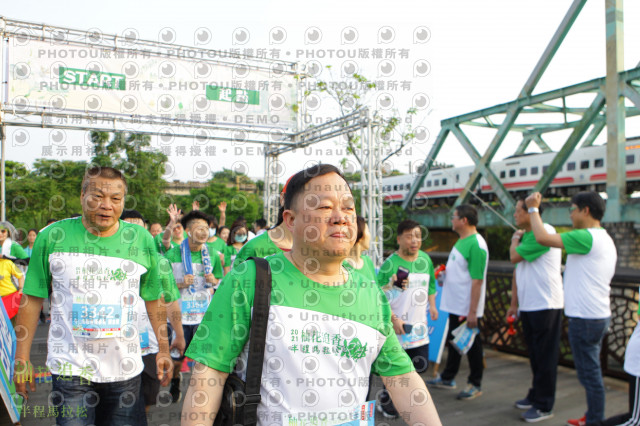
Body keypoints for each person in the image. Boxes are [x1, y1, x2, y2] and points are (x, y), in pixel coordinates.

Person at [182, 164, 441, 426]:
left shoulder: (370, 294)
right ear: (291, 220)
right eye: (325, 207)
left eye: (348, 207)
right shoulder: (249, 279)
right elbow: (207, 379)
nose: (341, 217)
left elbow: (402, 380)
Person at [14, 166, 174, 425]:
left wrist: (163, 349)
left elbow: (154, 298)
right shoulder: (53, 237)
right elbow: (32, 299)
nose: (106, 205)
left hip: (125, 370)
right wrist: (21, 358)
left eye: (115, 199)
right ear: (82, 195)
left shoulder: (141, 240)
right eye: (97, 196)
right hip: (70, 370)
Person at [525, 191, 616, 426]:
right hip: (597, 314)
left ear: (585, 210)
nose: (570, 214)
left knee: (590, 375)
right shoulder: (602, 238)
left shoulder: (585, 237)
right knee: (591, 371)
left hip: (585, 318)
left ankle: (596, 420)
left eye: (572, 209)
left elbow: (543, 238)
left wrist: (533, 209)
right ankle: (593, 415)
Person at [122, 209, 186, 420]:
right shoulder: (106, 262)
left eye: (138, 226)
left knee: (145, 400)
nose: (134, 230)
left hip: (149, 344)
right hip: (116, 344)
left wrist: (179, 334)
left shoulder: (160, 263)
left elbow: (170, 301)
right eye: (128, 225)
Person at [507, 198, 564, 423]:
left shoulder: (545, 232)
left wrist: (513, 239)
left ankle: (544, 405)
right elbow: (517, 269)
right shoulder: (529, 235)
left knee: (545, 356)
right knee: (535, 355)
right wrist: (514, 303)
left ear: (530, 212)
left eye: (517, 211)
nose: (514, 215)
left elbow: (513, 257)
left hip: (546, 304)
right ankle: (535, 395)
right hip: (530, 305)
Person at [376, 219, 438, 418]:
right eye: (410, 236)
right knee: (395, 373)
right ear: (399, 239)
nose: (414, 240)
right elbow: (377, 297)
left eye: (418, 236)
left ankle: (408, 404)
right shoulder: (390, 264)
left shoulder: (425, 260)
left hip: (419, 329)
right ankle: (386, 403)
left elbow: (431, 285)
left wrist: (434, 306)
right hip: (396, 330)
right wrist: (393, 319)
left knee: (418, 369)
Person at [428, 204, 489, 401]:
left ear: (464, 220)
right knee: (455, 343)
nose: (451, 220)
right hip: (455, 304)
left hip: (465, 307)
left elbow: (477, 280)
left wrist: (472, 312)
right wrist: (444, 275)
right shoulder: (462, 240)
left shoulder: (477, 244)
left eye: (454, 217)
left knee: (472, 346)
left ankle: (475, 383)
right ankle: (448, 378)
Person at [163, 210, 224, 403]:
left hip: (204, 315)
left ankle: (199, 394)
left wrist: (214, 280)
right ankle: (175, 380)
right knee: (177, 356)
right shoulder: (173, 253)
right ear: (188, 231)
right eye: (199, 228)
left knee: (202, 359)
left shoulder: (213, 254)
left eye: (207, 228)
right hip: (179, 315)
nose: (204, 232)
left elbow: (220, 282)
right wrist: (181, 283)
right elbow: (165, 286)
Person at [344, 216, 376, 282]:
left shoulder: (367, 261)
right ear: (361, 234)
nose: (370, 235)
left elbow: (376, 290)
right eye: (368, 231)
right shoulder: (341, 265)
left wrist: (389, 286)